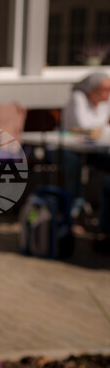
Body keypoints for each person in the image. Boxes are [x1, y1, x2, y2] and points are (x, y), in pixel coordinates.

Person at [60, 73, 110, 249]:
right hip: (69, 148)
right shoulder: (78, 97)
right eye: (104, 90)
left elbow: (99, 128)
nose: (107, 94)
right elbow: (83, 125)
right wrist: (99, 129)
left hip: (95, 149)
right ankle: (72, 213)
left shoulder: (106, 102)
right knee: (72, 166)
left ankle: (103, 229)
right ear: (91, 90)